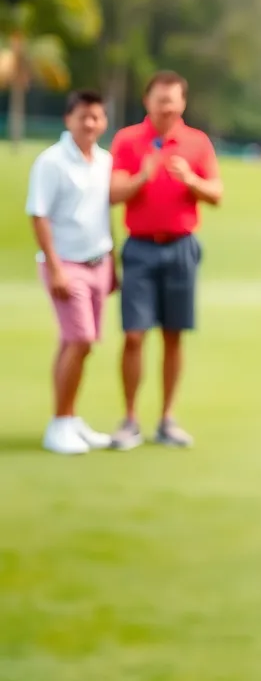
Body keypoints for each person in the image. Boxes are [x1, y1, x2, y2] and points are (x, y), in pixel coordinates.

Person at [109, 71, 223, 450]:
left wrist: (191, 179)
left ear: (183, 103)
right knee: (134, 334)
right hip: (140, 248)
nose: (167, 108)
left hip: (181, 247)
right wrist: (141, 177)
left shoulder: (196, 142)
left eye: (173, 101)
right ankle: (129, 420)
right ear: (147, 101)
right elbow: (112, 193)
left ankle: (167, 419)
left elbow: (216, 193)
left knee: (174, 335)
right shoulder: (127, 140)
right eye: (160, 101)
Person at [25, 90, 118, 455]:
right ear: (69, 120)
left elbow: (102, 213)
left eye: (97, 117)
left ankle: (69, 418)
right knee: (80, 341)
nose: (91, 123)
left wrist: (112, 266)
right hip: (65, 265)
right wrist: (56, 268)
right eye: (84, 117)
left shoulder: (104, 160)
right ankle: (60, 423)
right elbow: (39, 215)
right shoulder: (51, 162)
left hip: (99, 261)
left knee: (76, 343)